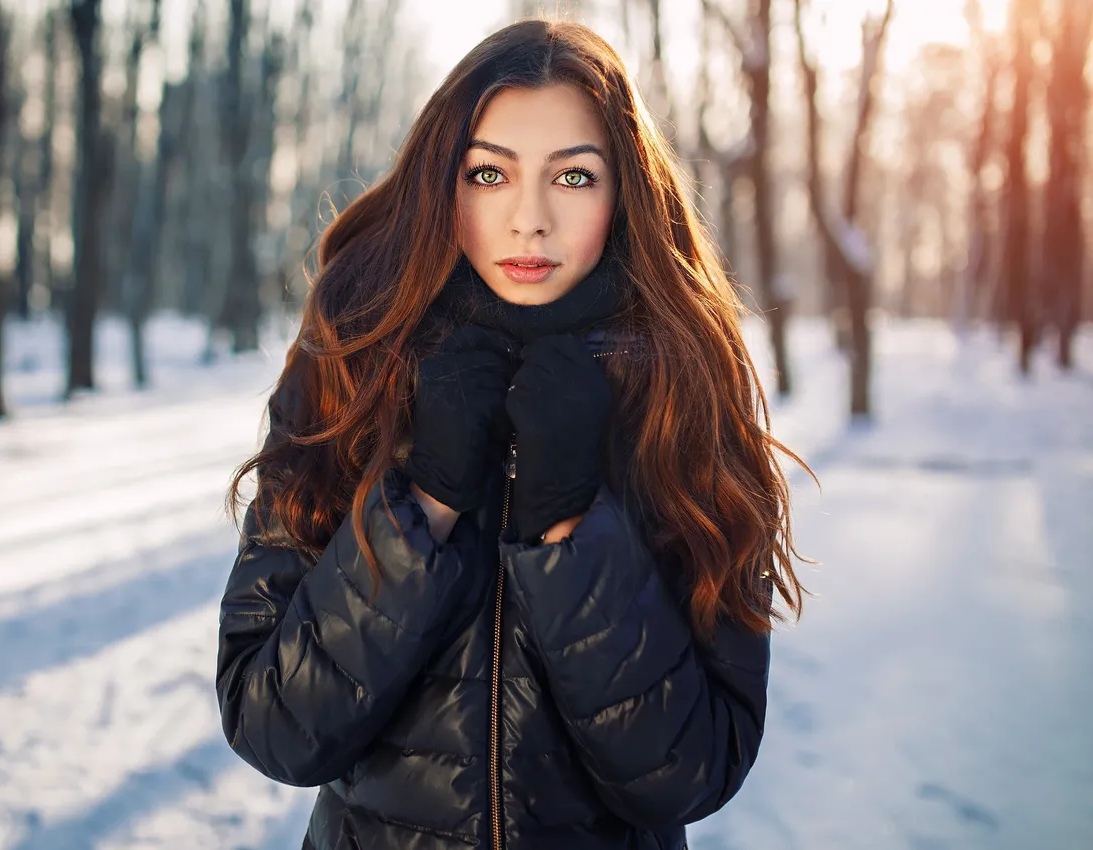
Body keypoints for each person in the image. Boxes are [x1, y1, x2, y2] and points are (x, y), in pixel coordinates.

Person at [218, 18, 809, 850]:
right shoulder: (352, 369)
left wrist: (572, 525)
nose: (529, 220)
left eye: (573, 177)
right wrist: (421, 505)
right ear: (442, 184)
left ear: (625, 194)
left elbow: (695, 769)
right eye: (489, 173)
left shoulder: (683, 395)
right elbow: (271, 723)